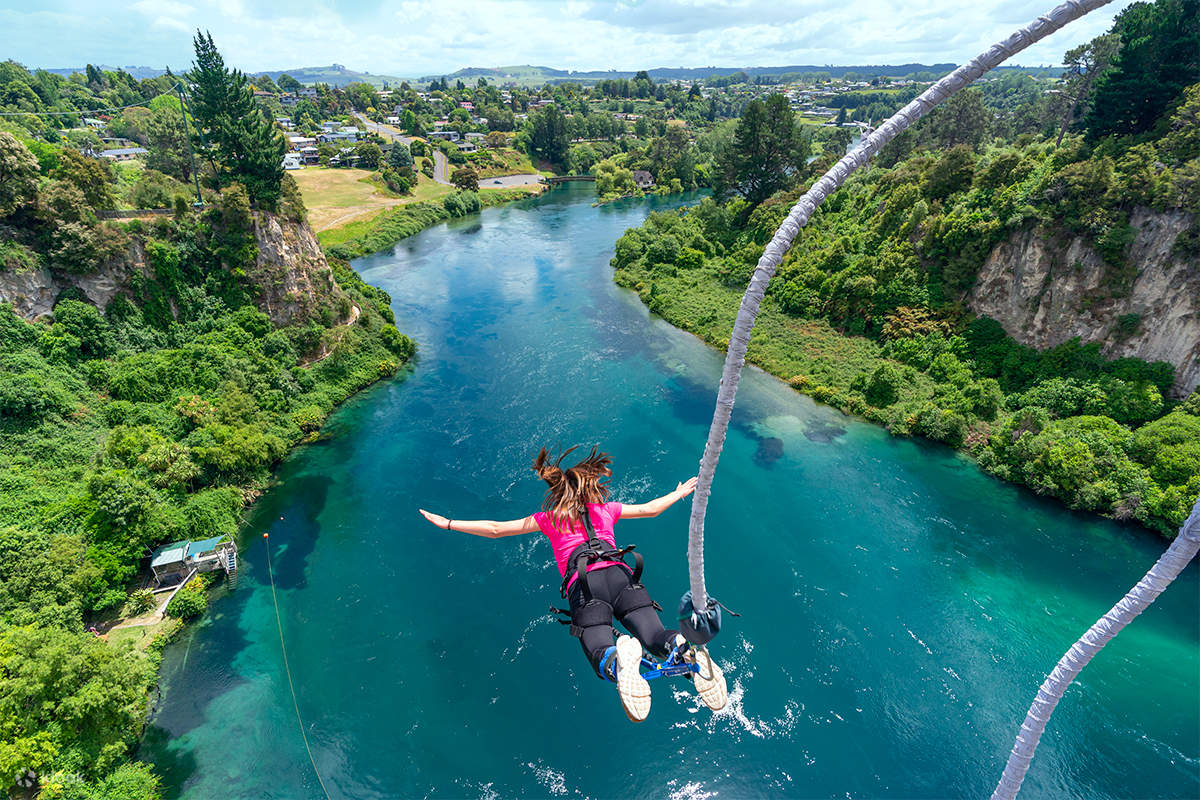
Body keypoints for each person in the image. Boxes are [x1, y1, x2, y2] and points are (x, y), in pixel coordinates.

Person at [418, 445, 727, 722]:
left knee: (598, 649)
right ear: (589, 488)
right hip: (622, 576)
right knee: (656, 634)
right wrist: (679, 493)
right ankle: (685, 652)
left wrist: (448, 523)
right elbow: (651, 509)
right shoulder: (606, 510)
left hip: (586, 585)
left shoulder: (549, 518)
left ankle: (620, 661)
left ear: (559, 492)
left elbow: (496, 529)